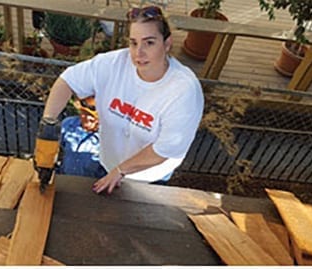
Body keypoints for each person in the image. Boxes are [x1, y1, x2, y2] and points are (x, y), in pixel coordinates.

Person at [39, 5, 203, 194]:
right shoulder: (114, 63)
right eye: (133, 43)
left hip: (147, 177)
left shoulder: (184, 91)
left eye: (149, 43)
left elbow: (163, 150)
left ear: (167, 43)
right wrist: (48, 121)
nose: (138, 53)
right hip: (108, 161)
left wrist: (120, 170)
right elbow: (68, 80)